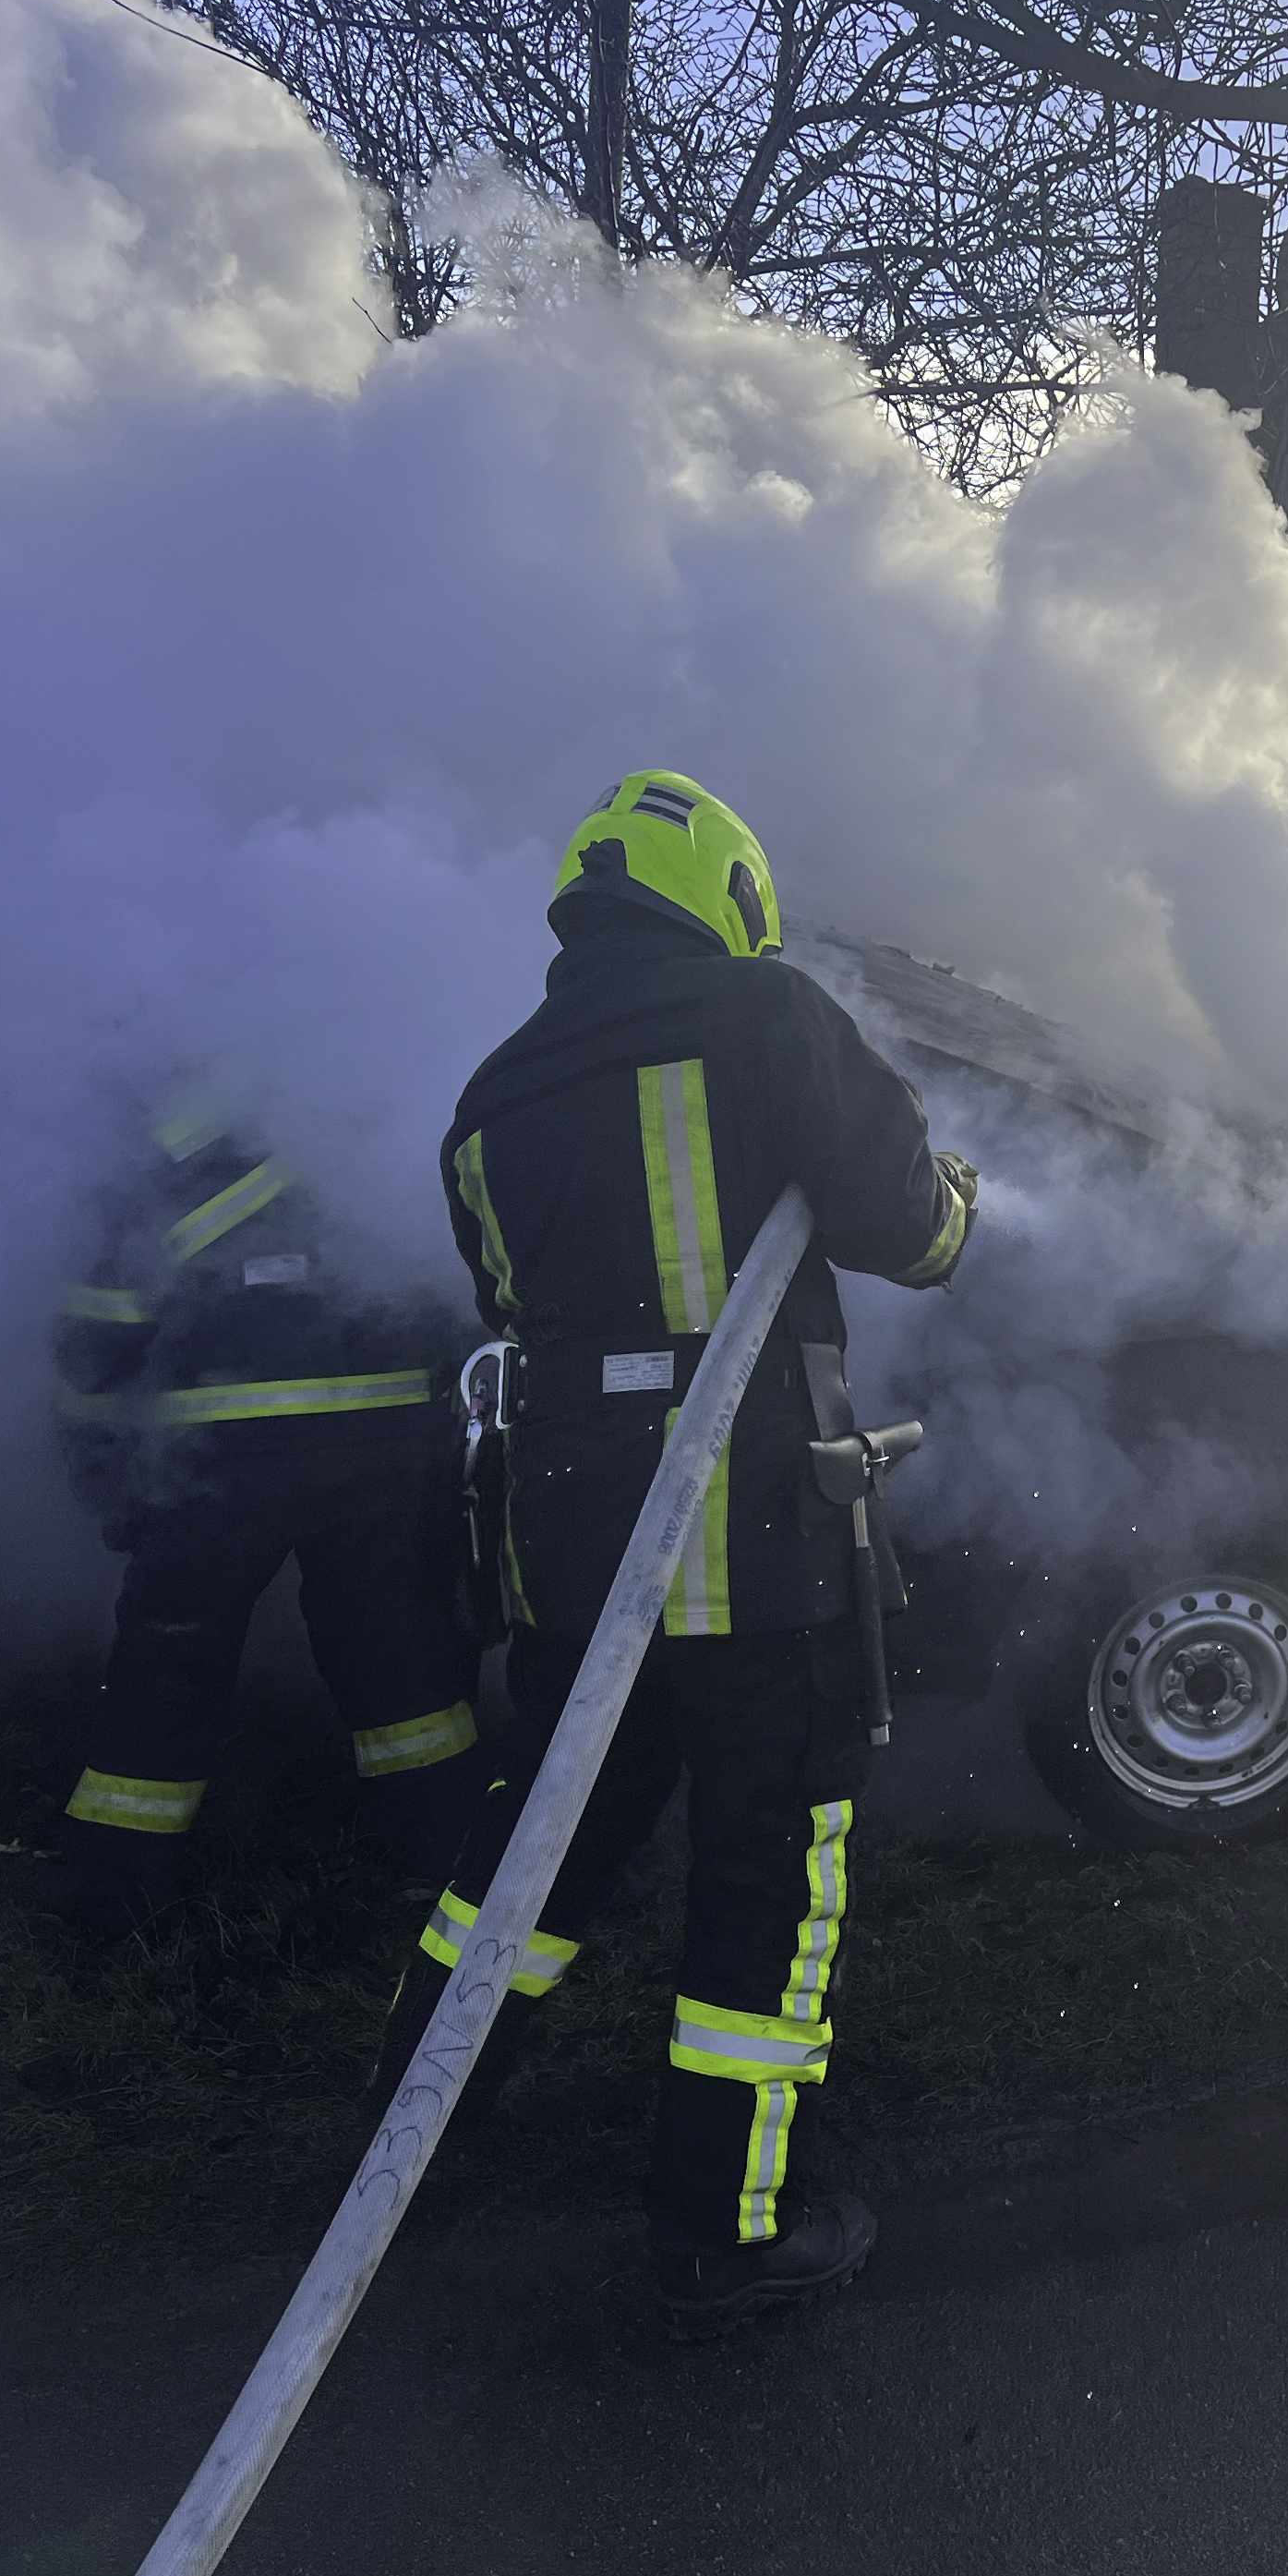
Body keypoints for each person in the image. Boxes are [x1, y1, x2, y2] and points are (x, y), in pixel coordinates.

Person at [397, 768, 973, 2341]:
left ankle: (409, 2128)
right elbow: (913, 1231)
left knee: (544, 1849)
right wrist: (960, 1194)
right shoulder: (766, 1015)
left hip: (570, 1562)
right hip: (752, 1546)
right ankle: (730, 2224)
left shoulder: (487, 1096)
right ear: (723, 892)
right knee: (767, 1877)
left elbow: (517, 1314)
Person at [48, 1088, 487, 1938]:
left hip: (217, 1471)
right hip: (385, 1457)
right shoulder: (372, 1148)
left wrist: (100, 1474)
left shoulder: (167, 1175)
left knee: (168, 1668)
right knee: (402, 1663)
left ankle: (114, 1899)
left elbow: (95, 1345)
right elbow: (458, 1302)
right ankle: (447, 1862)